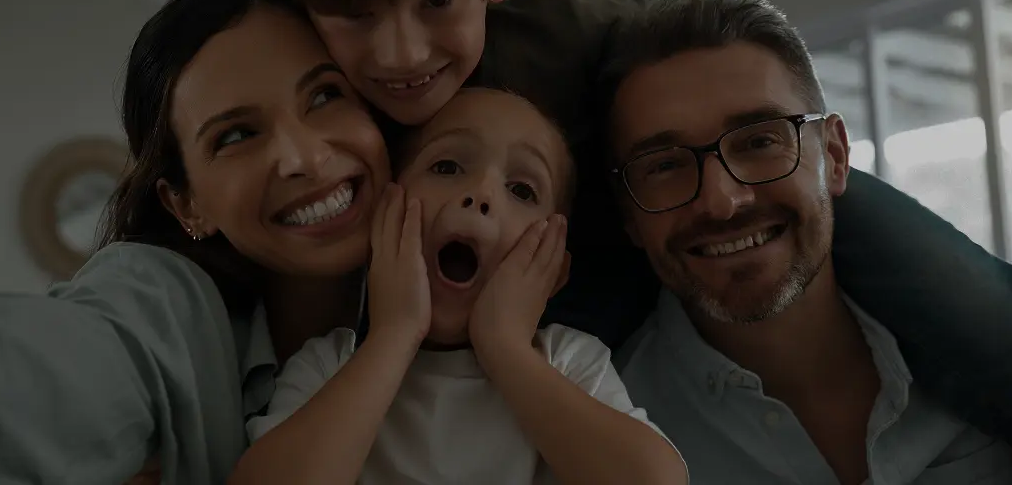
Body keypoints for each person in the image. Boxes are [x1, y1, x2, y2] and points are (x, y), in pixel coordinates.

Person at [262, 0, 1012, 454]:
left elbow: (720, 74)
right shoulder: (307, 86)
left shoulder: (572, 28)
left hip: (680, 176)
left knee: (981, 317)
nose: (403, 54)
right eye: (356, 15)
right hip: (550, 256)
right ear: (302, 7)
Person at [602, 0, 1012, 484]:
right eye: (664, 165)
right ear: (627, 213)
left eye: (760, 141)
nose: (721, 200)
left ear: (834, 156)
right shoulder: (599, 433)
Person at [0, 0, 391, 483]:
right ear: (186, 205)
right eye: (235, 136)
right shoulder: (165, 312)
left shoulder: (463, 262)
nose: (303, 157)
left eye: (324, 96)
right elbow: (35, 372)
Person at [232, 88, 687, 484]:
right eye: (447, 167)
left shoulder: (567, 362)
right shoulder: (331, 365)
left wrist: (504, 348)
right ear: (383, 217)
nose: (481, 194)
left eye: (522, 190)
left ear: (551, 271)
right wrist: (394, 333)